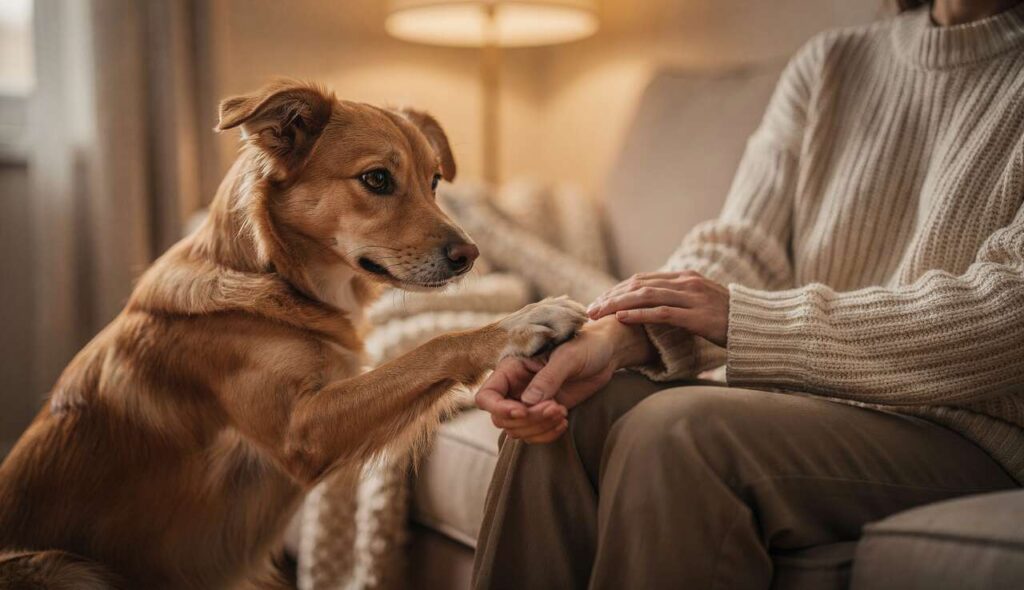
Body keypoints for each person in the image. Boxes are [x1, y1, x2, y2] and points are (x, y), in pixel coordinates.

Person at [471, 0, 1024, 588]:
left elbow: (1007, 310)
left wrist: (750, 319)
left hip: (973, 434)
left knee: (679, 434)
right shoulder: (831, 63)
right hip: (811, 407)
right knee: (564, 408)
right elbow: (741, 249)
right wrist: (611, 336)